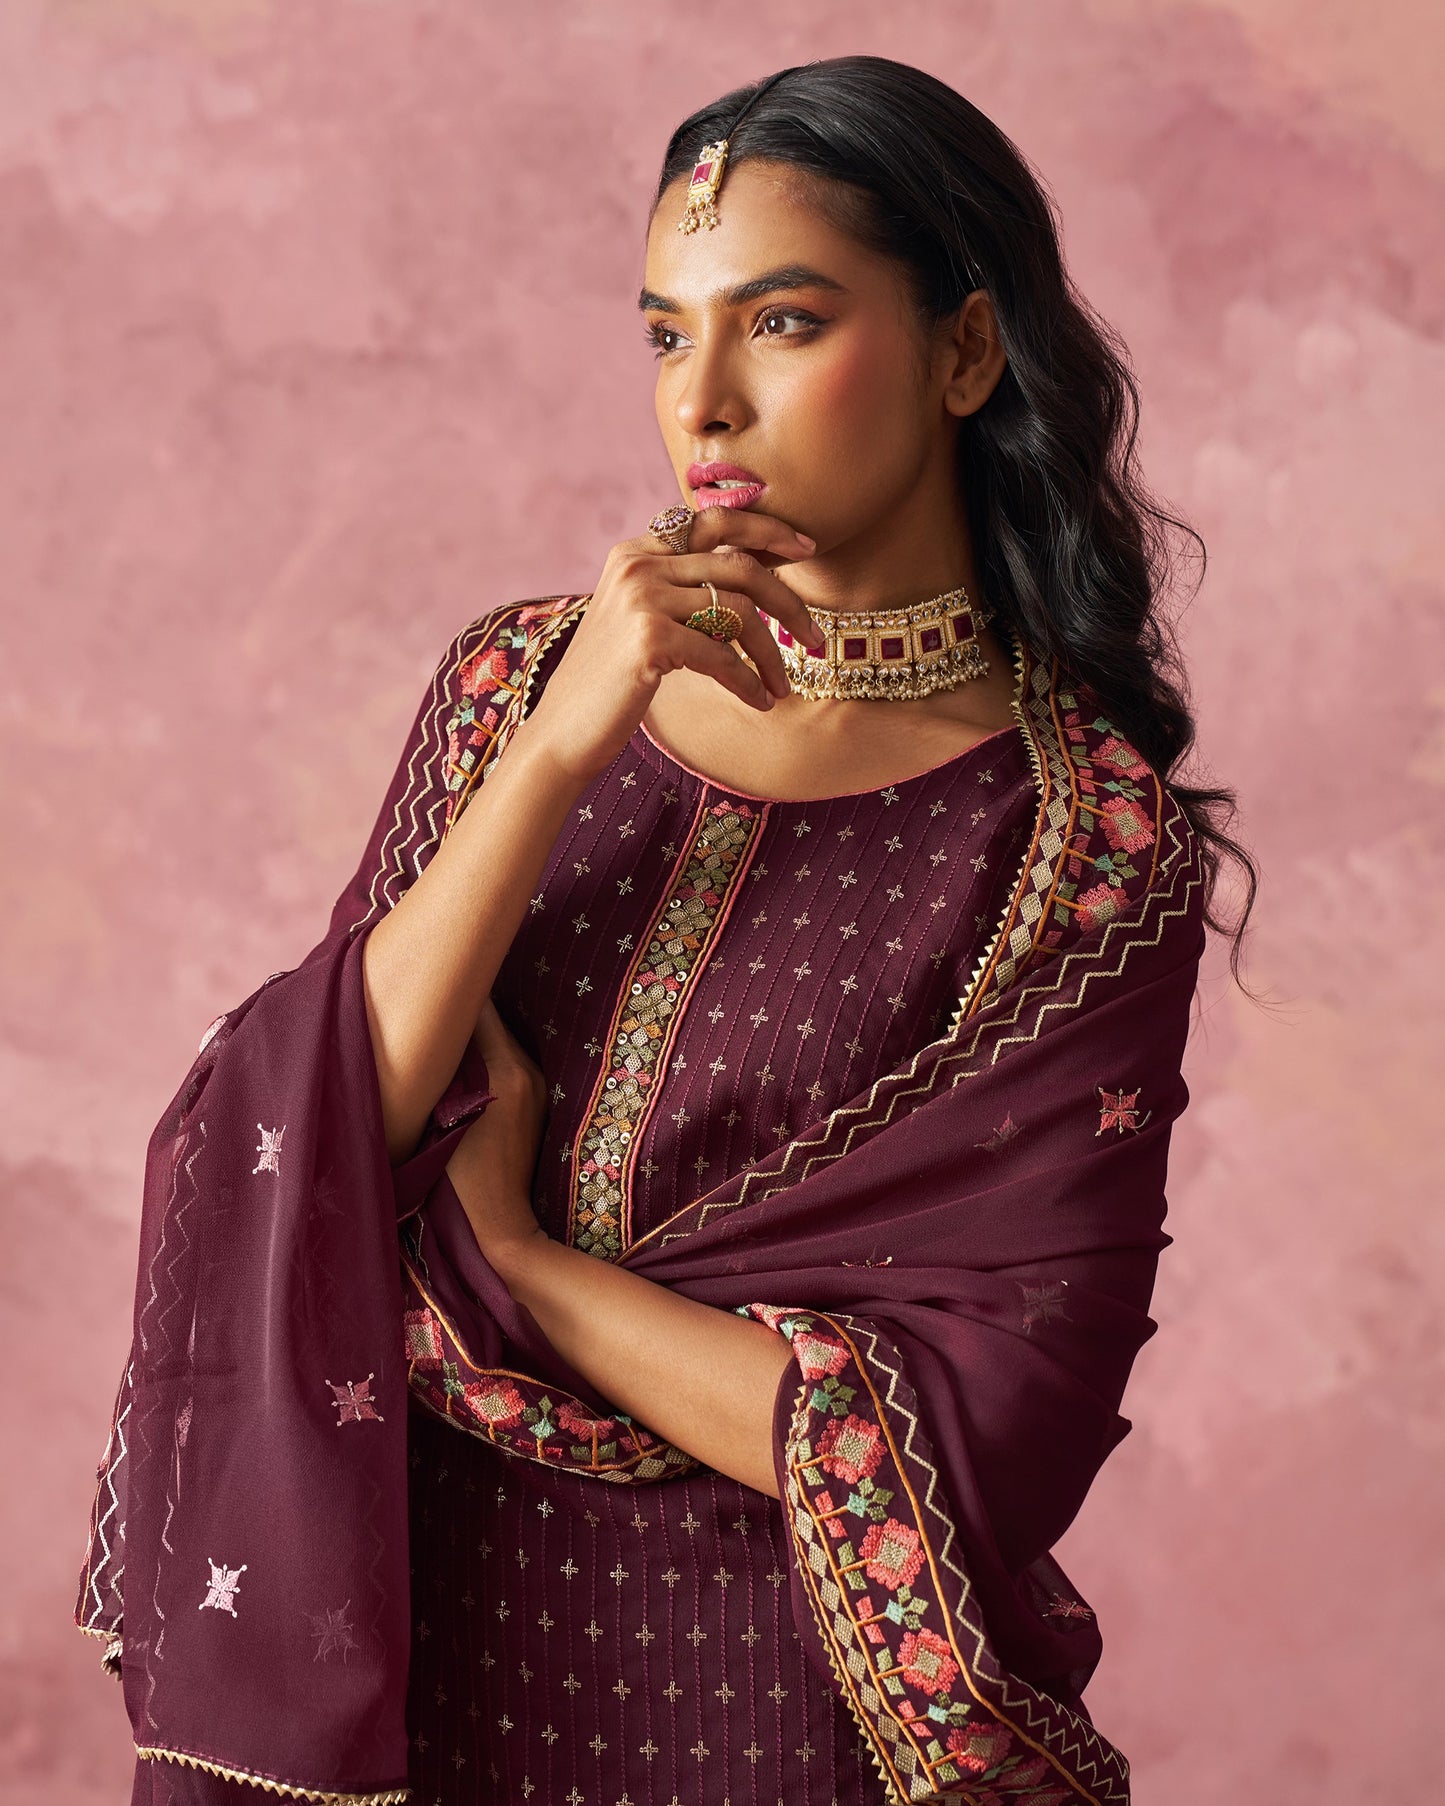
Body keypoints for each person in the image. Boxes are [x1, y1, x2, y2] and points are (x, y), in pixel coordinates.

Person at [77, 53, 1253, 1806]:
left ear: (961, 352)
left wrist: (522, 1263)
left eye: (780, 323)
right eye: (661, 334)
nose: (701, 401)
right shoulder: (516, 691)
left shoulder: (1077, 844)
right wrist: (560, 746)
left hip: (773, 1701)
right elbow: (319, 1122)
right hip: (411, 1648)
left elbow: (990, 1432)